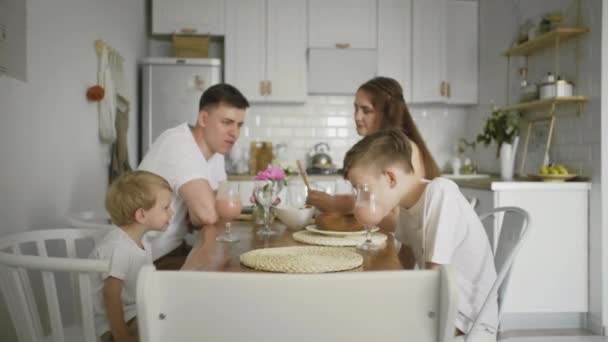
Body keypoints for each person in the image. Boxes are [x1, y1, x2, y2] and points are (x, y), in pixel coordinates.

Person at [342, 128, 498, 342]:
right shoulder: (407, 203)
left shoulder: (440, 192)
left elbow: (435, 277)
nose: (360, 197)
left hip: (466, 321)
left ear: (390, 178)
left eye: (363, 189)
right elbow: (406, 260)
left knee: (372, 327)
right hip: (443, 305)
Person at [138, 83, 249, 269]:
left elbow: (212, 211)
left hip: (175, 248)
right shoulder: (179, 143)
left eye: (239, 125)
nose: (235, 133)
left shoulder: (216, 153)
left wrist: (202, 208)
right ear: (204, 118)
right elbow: (208, 214)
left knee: (232, 265)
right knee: (227, 275)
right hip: (147, 259)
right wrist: (202, 207)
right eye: (227, 122)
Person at [307, 77, 440, 229]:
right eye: (356, 108)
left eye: (366, 110)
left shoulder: (404, 152)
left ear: (387, 113)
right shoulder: (379, 150)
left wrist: (337, 205)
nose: (357, 117)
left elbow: (397, 223)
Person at [90, 171, 173, 342]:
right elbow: (111, 296)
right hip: (115, 327)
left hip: (134, 314)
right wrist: (122, 337)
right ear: (141, 215)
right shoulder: (118, 248)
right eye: (166, 208)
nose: (171, 213)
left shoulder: (141, 242)